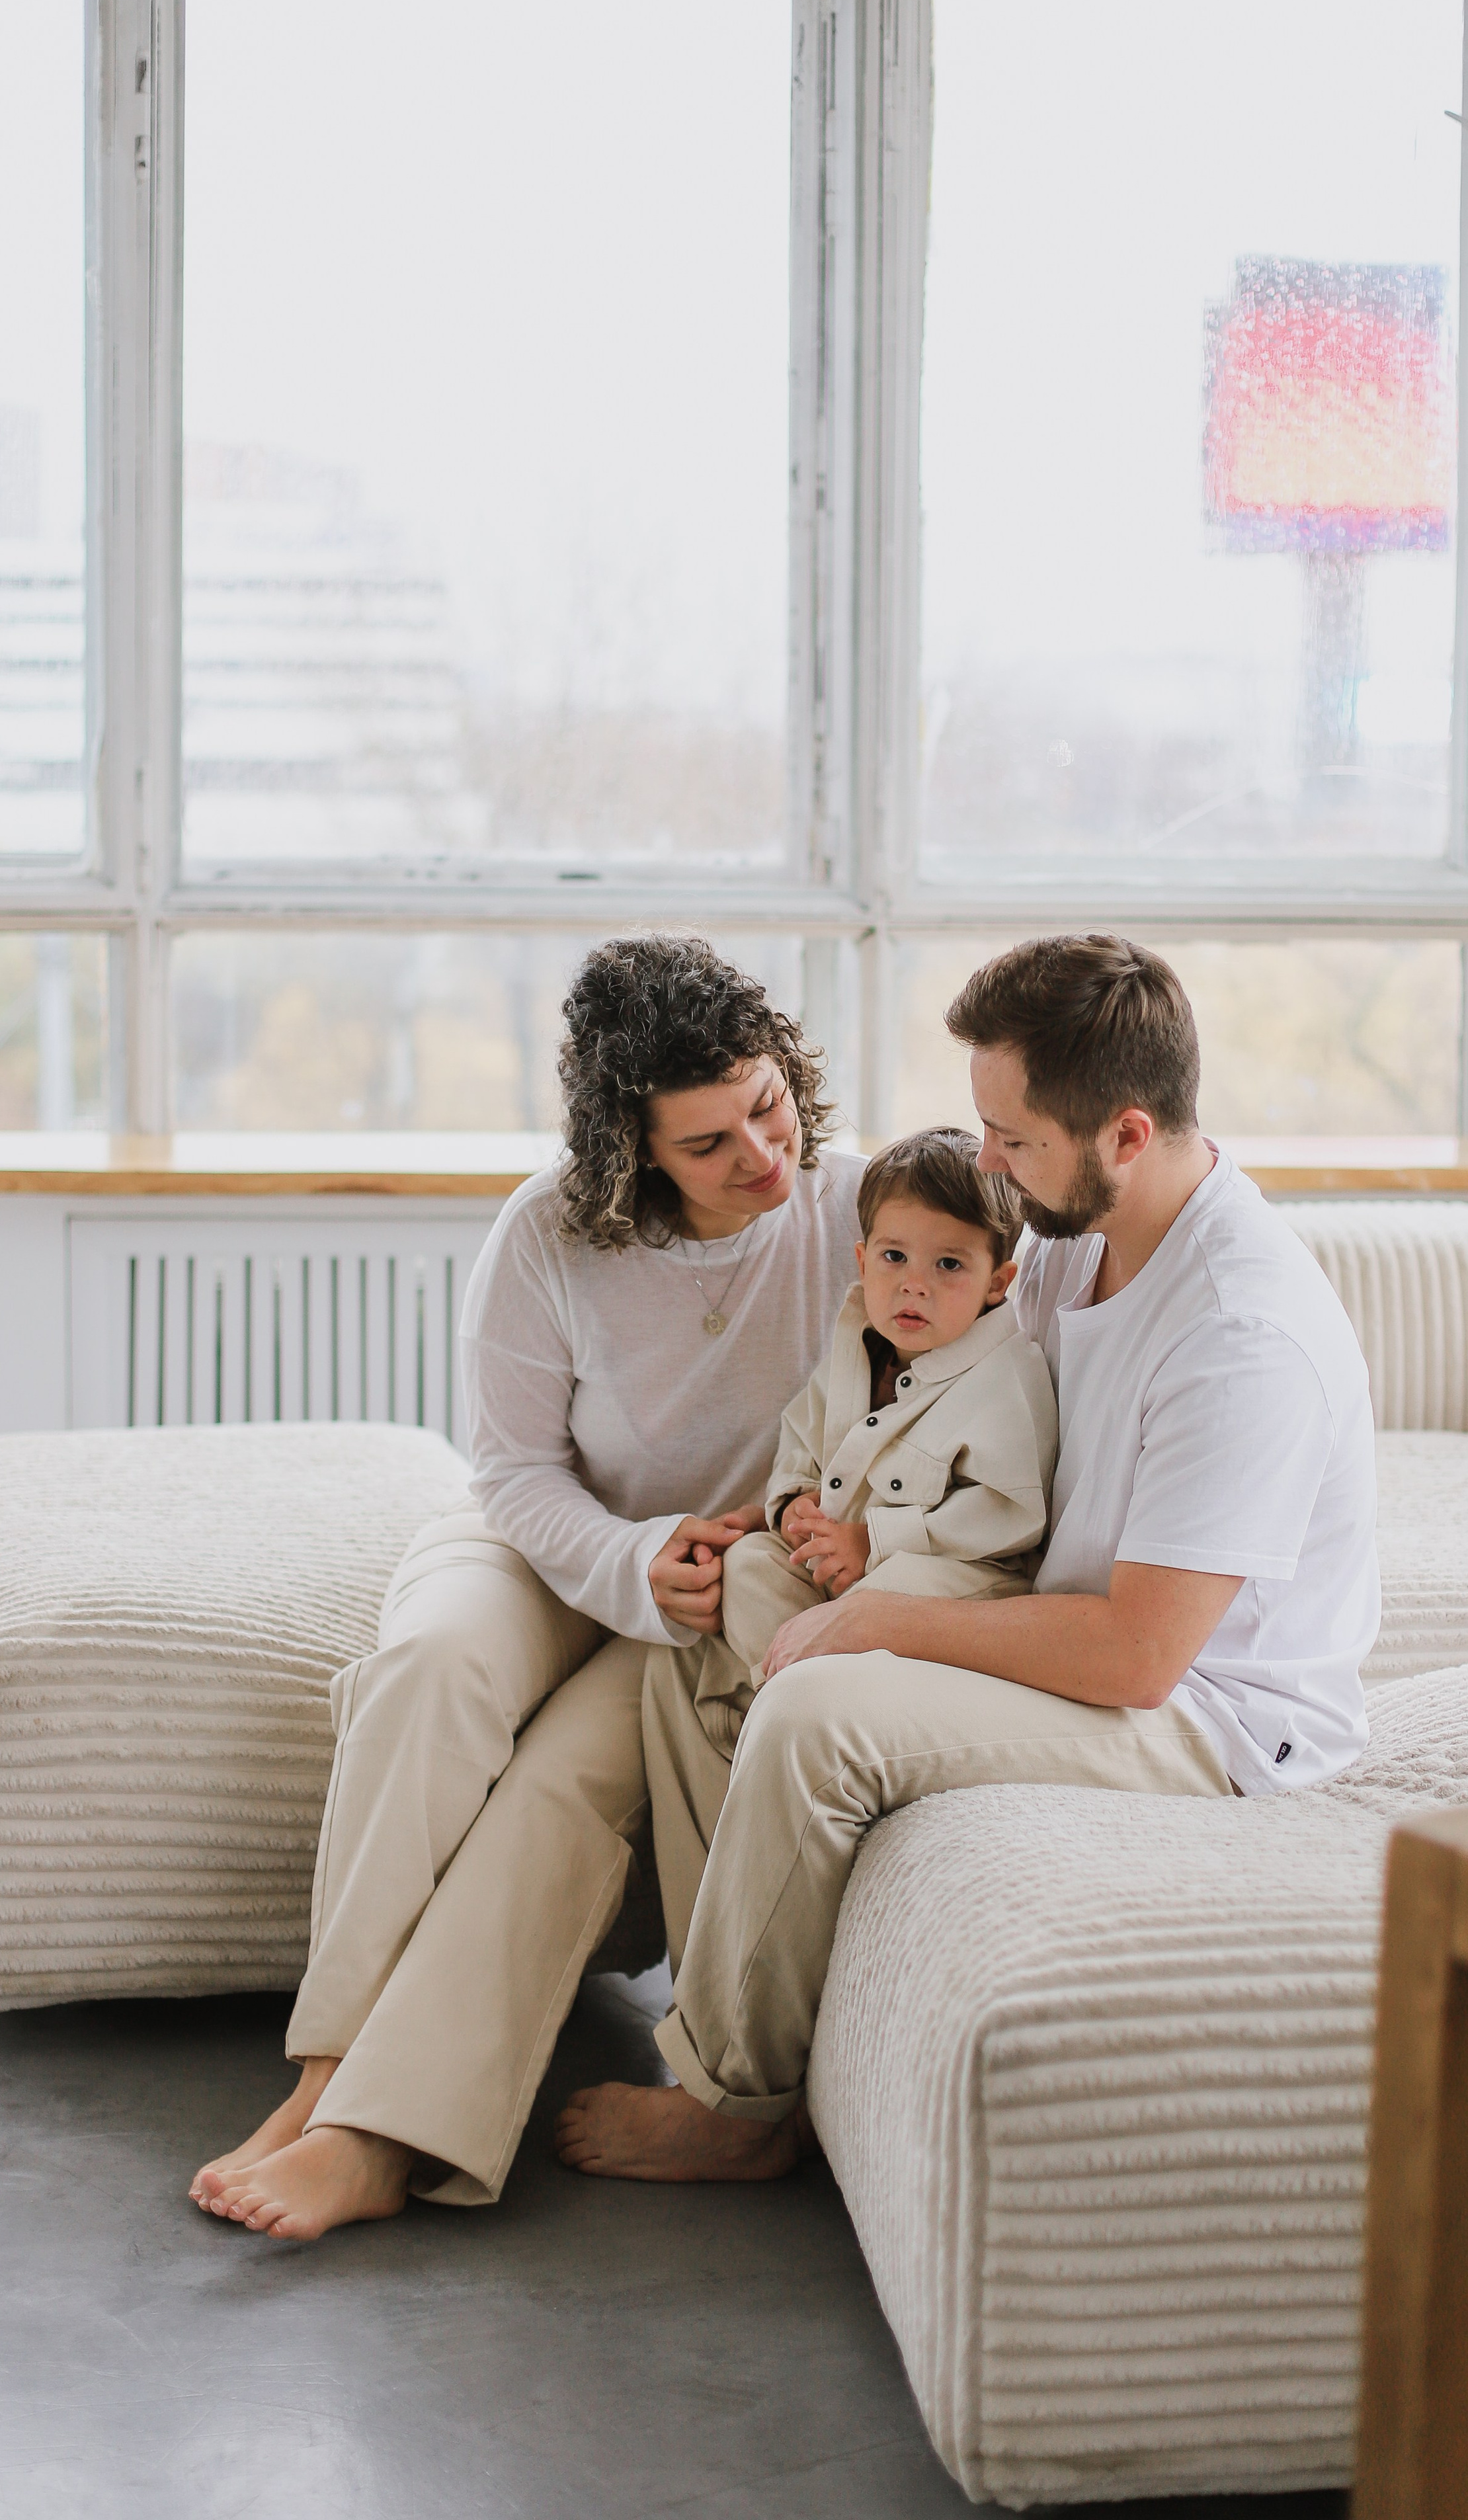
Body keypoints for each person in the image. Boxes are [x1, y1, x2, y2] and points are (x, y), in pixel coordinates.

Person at [555, 931, 1381, 2185]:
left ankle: (732, 2107)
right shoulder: (1069, 1238)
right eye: (983, 1127)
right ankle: (745, 1998)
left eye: (1015, 1140)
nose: (989, 1162)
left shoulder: (1240, 1335)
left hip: (1214, 1720)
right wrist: (828, 1539)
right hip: (1063, 1618)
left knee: (818, 1713)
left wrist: (878, 1621)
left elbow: (1140, 1657)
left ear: (1126, 1135)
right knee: (713, 1625)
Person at [191, 932, 863, 2239]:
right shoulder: (549, 1233)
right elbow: (509, 1472)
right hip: (545, 1536)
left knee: (562, 1774)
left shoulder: (856, 1212)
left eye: (768, 1108)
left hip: (714, 1583)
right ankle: (322, 2082)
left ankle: (382, 2139)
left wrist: (690, 1571)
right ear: (632, 1153)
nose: (761, 1157)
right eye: (709, 1143)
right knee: (430, 1671)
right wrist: (622, 1558)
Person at [648, 1128, 1058, 1971]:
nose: (914, 1284)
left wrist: (877, 1542)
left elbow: (1009, 1515)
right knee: (747, 1572)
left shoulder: (1004, 1377)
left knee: (795, 1612)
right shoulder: (853, 1340)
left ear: (997, 1283)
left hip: (940, 1586)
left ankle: (801, 1722)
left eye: (950, 1266)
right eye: (896, 1257)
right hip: (836, 1572)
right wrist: (793, 1501)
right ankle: (784, 1727)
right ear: (864, 1256)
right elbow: (803, 1434)